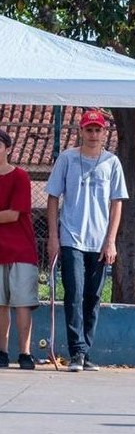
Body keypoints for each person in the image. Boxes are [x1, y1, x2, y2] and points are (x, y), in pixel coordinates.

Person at [46, 109, 128, 372]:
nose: (93, 134)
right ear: (81, 131)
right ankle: (77, 352)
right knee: (74, 292)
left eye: (97, 130)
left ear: (104, 133)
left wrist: (111, 240)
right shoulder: (67, 159)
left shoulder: (112, 162)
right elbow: (53, 197)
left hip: (99, 240)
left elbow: (116, 203)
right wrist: (54, 237)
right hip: (72, 237)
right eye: (89, 129)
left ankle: (86, 350)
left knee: (93, 296)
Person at [0, 127, 40, 370]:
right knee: (0, 304)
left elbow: (13, 214)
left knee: (22, 303)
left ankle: (25, 353)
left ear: (8, 148)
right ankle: (2, 352)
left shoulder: (20, 177)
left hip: (20, 251)